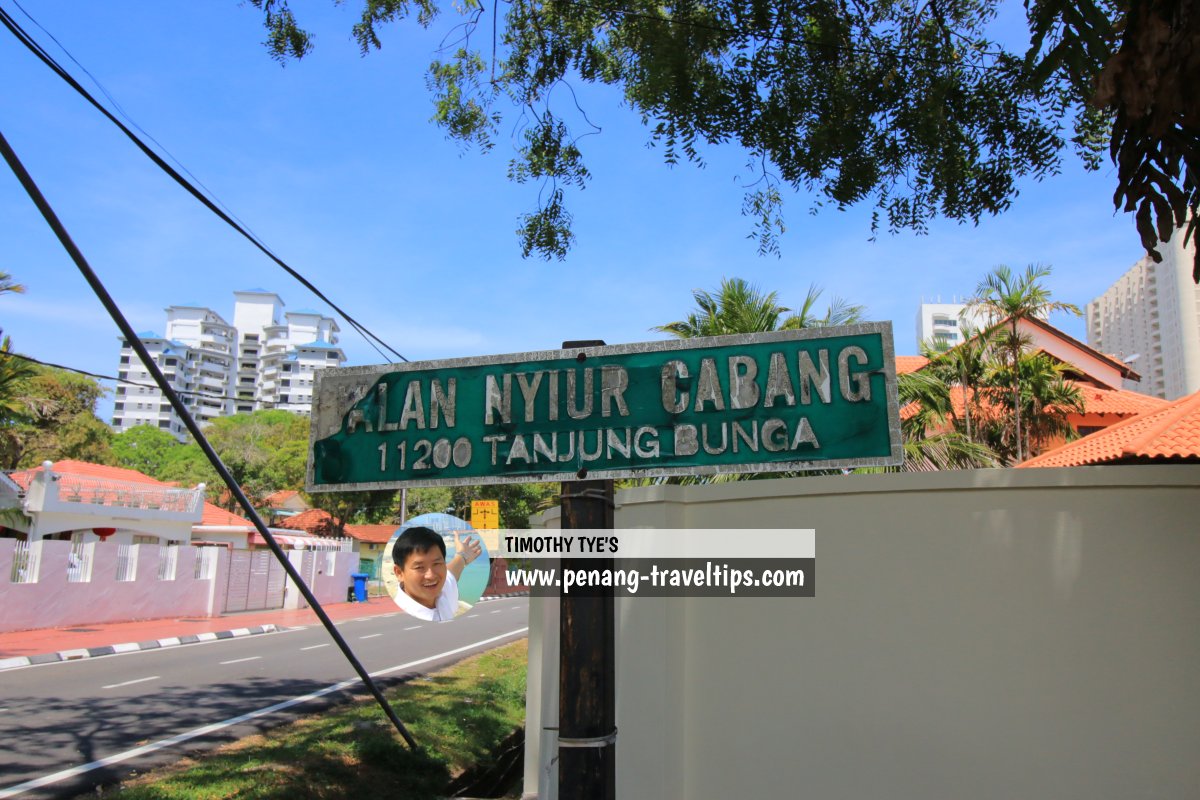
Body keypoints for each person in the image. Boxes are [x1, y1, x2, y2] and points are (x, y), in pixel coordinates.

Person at [390, 526, 482, 622]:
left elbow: (451, 573)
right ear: (399, 573)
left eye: (437, 564)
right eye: (419, 567)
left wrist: (462, 556)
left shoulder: (443, 591)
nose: (431, 575)